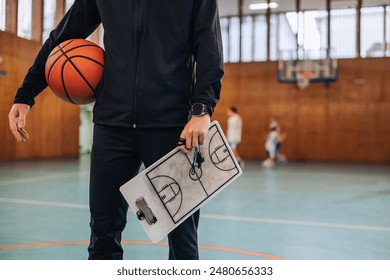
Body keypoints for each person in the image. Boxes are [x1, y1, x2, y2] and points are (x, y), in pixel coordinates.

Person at [8, 0, 224, 260]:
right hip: (112, 125)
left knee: (183, 240)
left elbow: (209, 43)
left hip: (172, 126)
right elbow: (62, 35)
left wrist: (202, 108)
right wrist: (26, 93)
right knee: (102, 235)